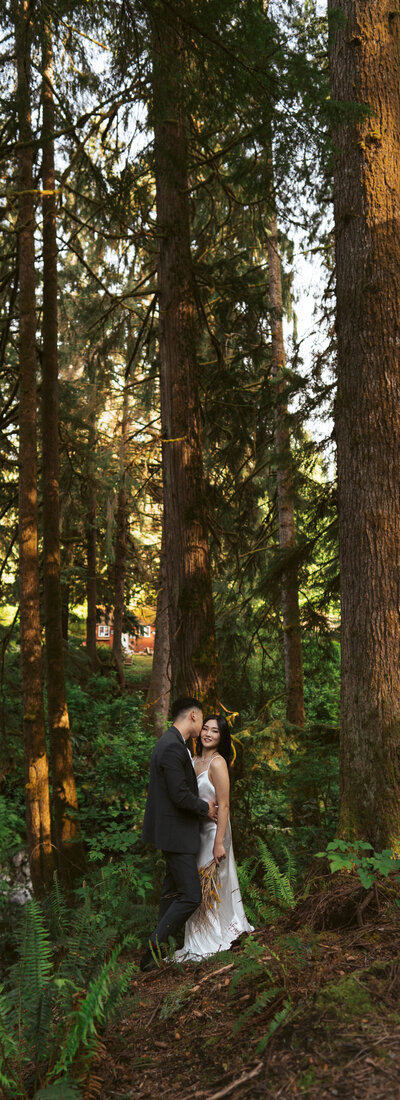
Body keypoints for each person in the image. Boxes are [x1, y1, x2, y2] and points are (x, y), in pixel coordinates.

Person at [140, 696, 218, 971]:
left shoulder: (173, 743)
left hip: (174, 831)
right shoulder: (172, 747)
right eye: (202, 720)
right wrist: (204, 808)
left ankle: (156, 956)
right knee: (190, 895)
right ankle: (151, 950)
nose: (204, 730)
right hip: (176, 833)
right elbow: (179, 794)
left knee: (171, 892)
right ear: (194, 716)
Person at [175, 714, 253, 962]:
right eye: (205, 729)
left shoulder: (218, 764)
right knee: (194, 883)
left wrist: (220, 842)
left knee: (210, 884)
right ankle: (196, 937)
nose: (208, 734)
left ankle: (213, 936)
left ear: (222, 737)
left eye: (214, 731)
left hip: (214, 832)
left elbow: (225, 804)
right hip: (194, 830)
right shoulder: (194, 760)